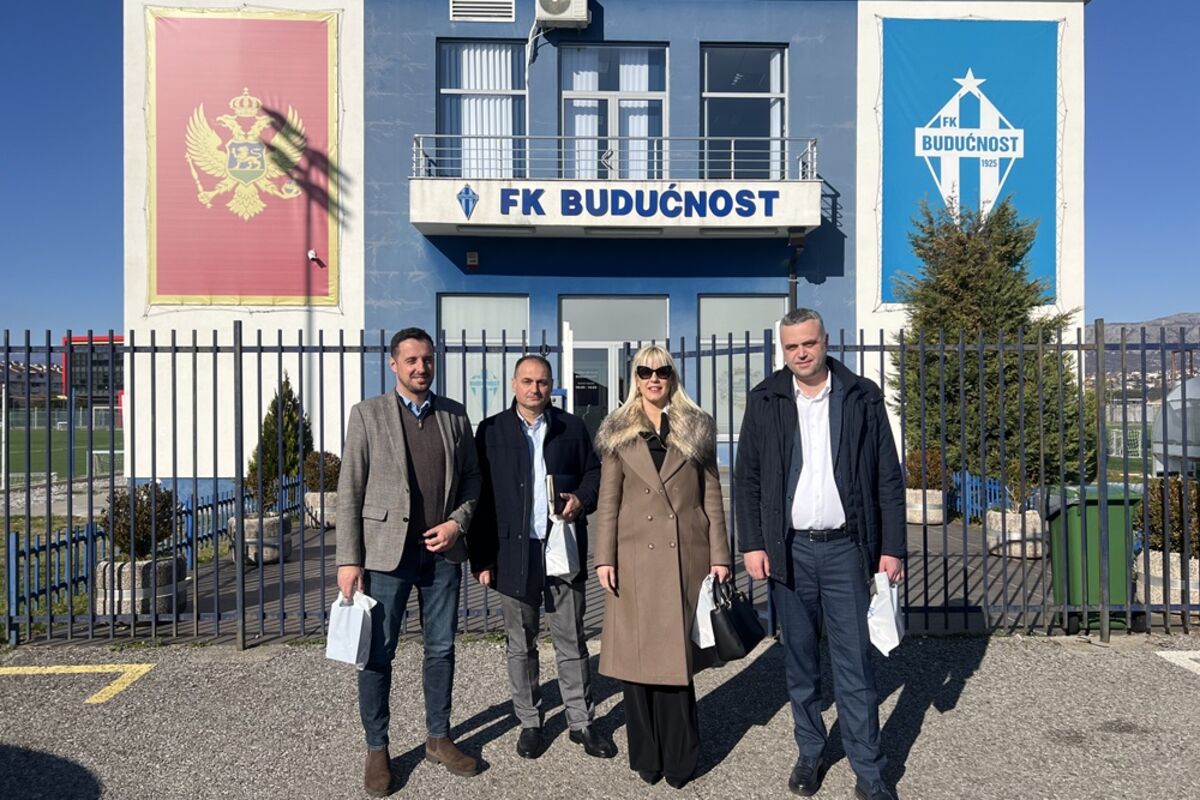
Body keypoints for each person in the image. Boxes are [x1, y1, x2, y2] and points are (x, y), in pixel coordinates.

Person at [734, 308, 906, 800]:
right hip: (789, 551)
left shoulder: (861, 396)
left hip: (846, 550)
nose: (801, 353)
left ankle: (869, 770)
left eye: (808, 343)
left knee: (855, 664)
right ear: (783, 350)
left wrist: (891, 548)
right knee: (801, 661)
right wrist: (752, 543)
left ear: (825, 341)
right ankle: (810, 750)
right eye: (791, 346)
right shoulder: (766, 399)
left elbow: (887, 477)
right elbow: (747, 479)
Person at [336, 327, 482, 797]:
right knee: (378, 653)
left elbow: (473, 479)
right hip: (386, 554)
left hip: (442, 554)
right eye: (412, 360)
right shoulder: (368, 414)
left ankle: (438, 737)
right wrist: (348, 559)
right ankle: (377, 748)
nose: (421, 367)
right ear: (394, 364)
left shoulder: (454, 415)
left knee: (441, 649)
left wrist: (457, 523)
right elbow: (349, 489)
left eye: (428, 360)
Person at [592, 344, 732, 790]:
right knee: (636, 663)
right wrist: (604, 557)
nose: (654, 378)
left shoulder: (696, 425)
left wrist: (720, 555)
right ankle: (646, 755)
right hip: (634, 559)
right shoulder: (617, 430)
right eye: (645, 371)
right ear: (634, 378)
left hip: (684, 557)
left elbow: (712, 496)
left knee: (675, 663)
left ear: (673, 376)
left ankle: (680, 756)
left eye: (662, 371)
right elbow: (608, 501)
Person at [471, 355, 615, 760]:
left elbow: (594, 474)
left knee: (571, 640)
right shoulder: (492, 430)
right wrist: (482, 558)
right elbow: (480, 498)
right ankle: (530, 721)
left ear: (551, 385)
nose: (535, 389)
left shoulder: (572, 427)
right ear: (514, 384)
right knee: (521, 644)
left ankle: (581, 722)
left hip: (561, 547)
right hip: (512, 551)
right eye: (527, 381)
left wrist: (580, 500)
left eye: (542, 382)